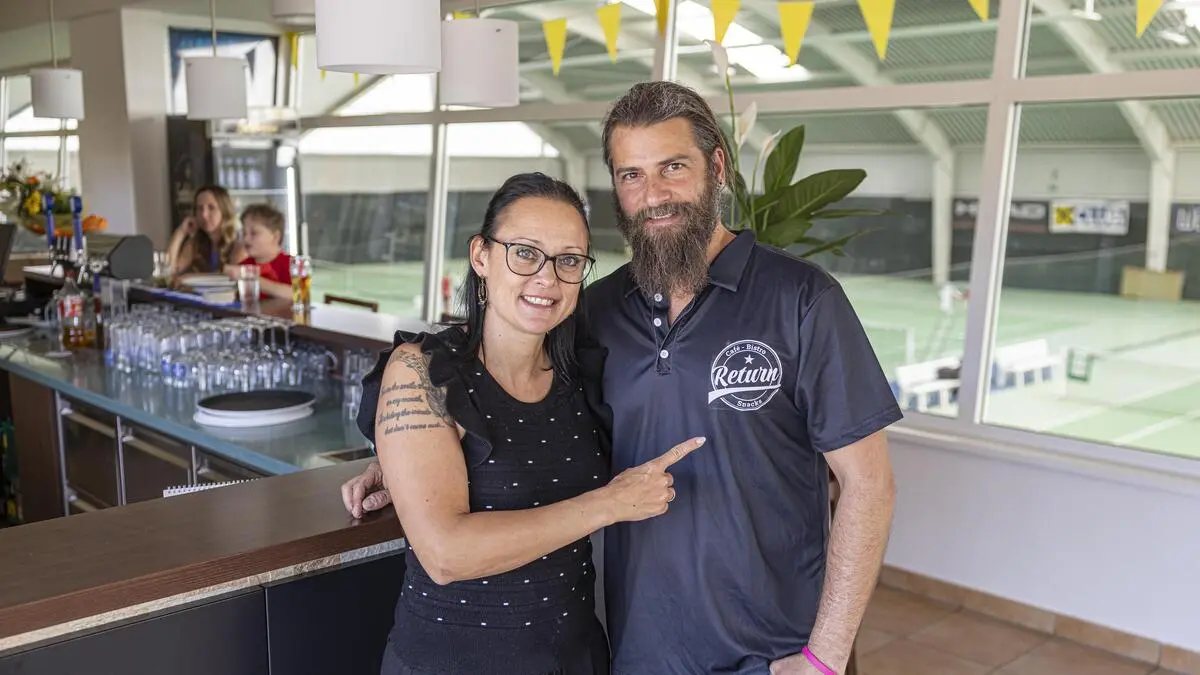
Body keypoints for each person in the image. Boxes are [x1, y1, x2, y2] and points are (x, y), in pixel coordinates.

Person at [345, 82, 901, 675]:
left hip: (773, 654)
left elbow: (869, 486)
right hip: (638, 653)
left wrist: (825, 656)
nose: (653, 194)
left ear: (717, 167)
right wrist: (407, 456)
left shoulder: (802, 301)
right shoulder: (598, 312)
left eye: (673, 167)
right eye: (631, 175)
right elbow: (506, 399)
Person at [353, 172, 706, 675]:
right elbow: (444, 553)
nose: (547, 278)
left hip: (576, 658)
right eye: (524, 252)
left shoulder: (580, 375)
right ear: (481, 257)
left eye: (568, 261)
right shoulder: (420, 370)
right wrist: (608, 504)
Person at [167, 185, 246, 277]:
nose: (204, 215)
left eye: (211, 208)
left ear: (224, 211)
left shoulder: (238, 244)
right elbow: (168, 270)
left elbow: (231, 278)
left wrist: (189, 277)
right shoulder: (196, 243)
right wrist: (180, 232)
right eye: (200, 208)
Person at [225, 203, 293, 300]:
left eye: (254, 233)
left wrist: (248, 277)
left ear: (275, 237)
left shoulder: (290, 264)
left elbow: (295, 294)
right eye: (244, 233)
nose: (246, 239)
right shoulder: (243, 266)